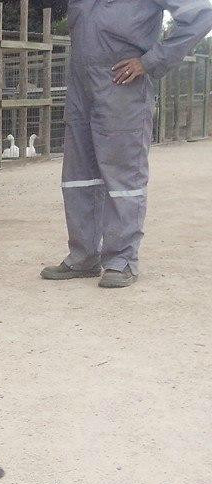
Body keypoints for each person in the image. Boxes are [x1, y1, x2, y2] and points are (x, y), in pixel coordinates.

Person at [41, 0, 212, 288]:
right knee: (78, 179)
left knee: (124, 179)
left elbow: (202, 15)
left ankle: (122, 260)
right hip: (80, 88)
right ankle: (83, 255)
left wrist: (151, 61)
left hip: (121, 86)